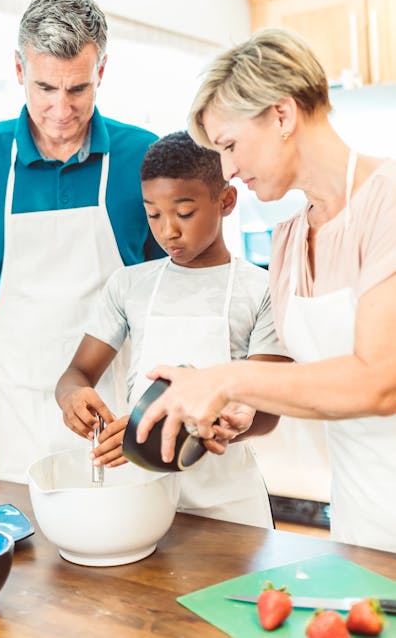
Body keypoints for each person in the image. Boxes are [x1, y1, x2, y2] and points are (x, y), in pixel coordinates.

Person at [136, 29, 396, 552]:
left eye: (230, 145)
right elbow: (297, 383)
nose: (228, 169)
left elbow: (379, 382)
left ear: (282, 115)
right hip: (360, 513)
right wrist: (238, 415)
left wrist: (227, 379)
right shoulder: (288, 239)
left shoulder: (387, 201)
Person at [0, 0, 165, 500]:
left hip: (113, 419)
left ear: (101, 72)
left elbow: (172, 295)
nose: (60, 110)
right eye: (44, 87)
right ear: (17, 69)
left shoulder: (144, 158)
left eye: (77, 89)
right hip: (10, 419)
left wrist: (155, 408)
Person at [56, 131, 289, 526]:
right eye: (153, 214)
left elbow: (267, 410)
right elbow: (76, 374)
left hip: (229, 502)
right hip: (142, 498)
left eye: (184, 213)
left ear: (226, 201)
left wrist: (223, 420)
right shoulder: (128, 285)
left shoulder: (263, 288)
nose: (168, 231)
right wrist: (73, 397)